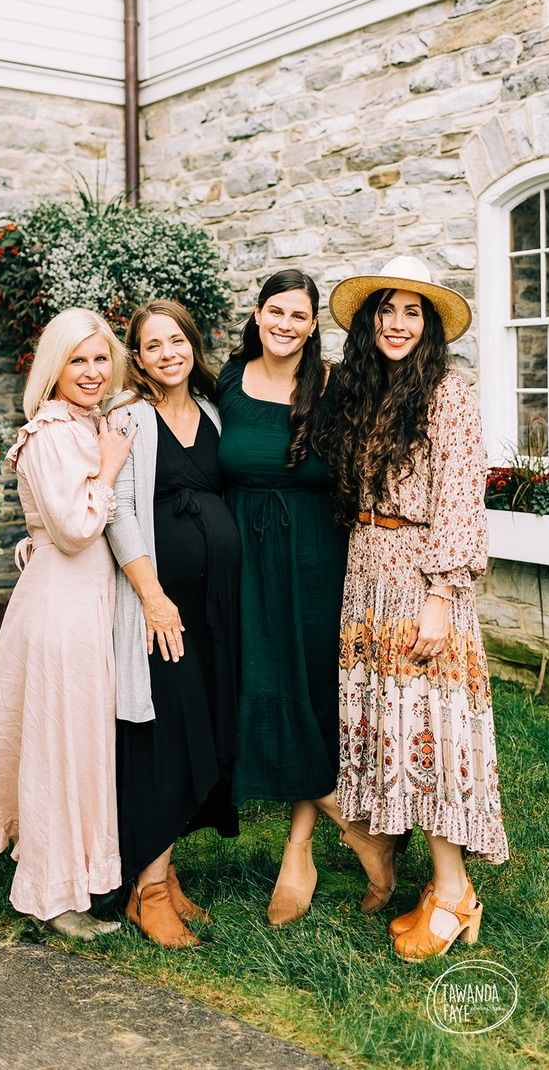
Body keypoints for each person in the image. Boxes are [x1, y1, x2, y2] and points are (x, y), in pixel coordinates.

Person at [317, 255, 509, 961]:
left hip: (422, 580)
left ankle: (456, 893)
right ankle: (435, 885)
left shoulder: (447, 394)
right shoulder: (365, 390)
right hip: (367, 568)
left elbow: (462, 501)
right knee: (394, 731)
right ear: (370, 322)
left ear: (429, 327)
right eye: (387, 311)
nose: (398, 323)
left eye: (412, 312)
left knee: (432, 733)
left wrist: (440, 596)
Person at [0, 308, 135, 941]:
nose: (91, 371)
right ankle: (53, 897)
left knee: (75, 741)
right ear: (54, 368)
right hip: (64, 608)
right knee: (60, 745)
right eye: (77, 360)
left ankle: (73, 873)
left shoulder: (87, 421)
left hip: (77, 598)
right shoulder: (54, 430)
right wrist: (108, 466)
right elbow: (78, 529)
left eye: (100, 358)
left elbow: (48, 522)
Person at [106, 300, 241, 949]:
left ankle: (166, 874)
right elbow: (118, 510)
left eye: (176, 341)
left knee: (201, 731)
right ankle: (147, 892)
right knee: (168, 738)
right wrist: (153, 597)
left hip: (215, 609)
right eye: (152, 345)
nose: (167, 353)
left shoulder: (213, 412)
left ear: (193, 344)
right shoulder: (129, 418)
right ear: (138, 359)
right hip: (162, 611)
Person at [215, 269, 348, 927]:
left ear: (314, 324)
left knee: (310, 688)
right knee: (246, 679)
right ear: (258, 314)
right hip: (241, 554)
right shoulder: (227, 382)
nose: (287, 325)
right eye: (277, 311)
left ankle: (300, 850)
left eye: (300, 315)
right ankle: (350, 819)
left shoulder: (334, 387)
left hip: (315, 557)